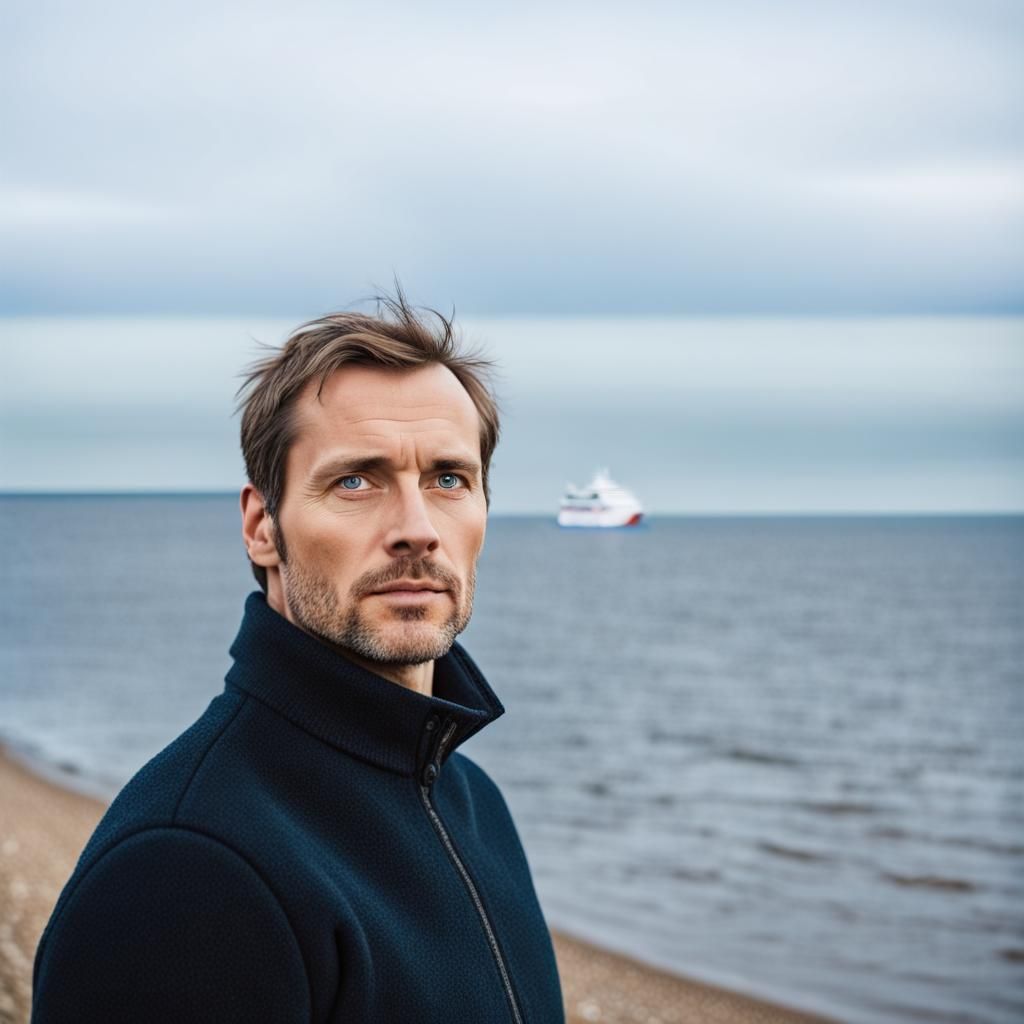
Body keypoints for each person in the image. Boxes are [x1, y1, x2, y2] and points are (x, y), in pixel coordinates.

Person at [31, 293, 565, 1023]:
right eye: (356, 480)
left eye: (448, 479)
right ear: (262, 526)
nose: (417, 529)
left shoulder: (474, 805)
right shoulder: (185, 870)